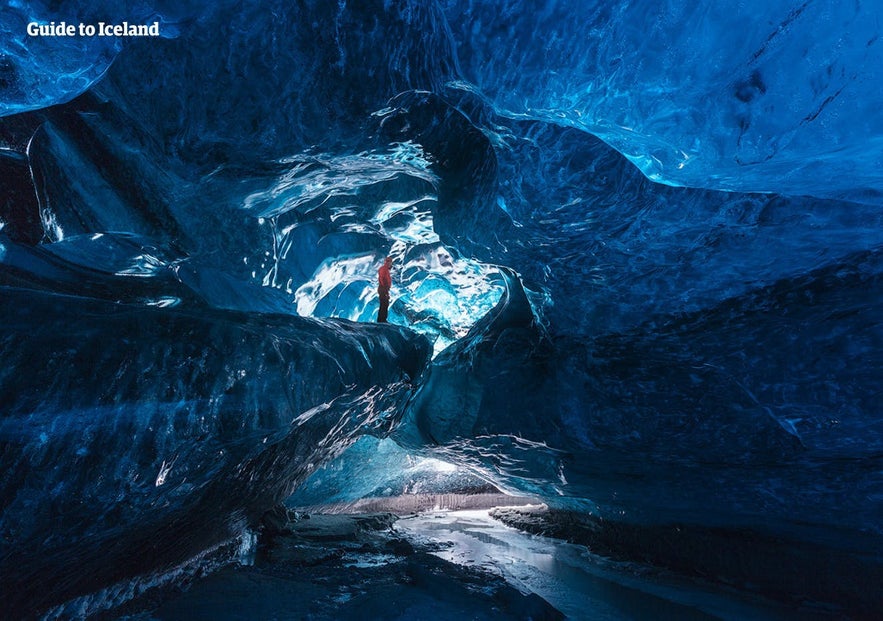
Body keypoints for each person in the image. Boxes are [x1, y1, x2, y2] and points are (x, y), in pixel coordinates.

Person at [377, 256, 392, 323]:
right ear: (388, 262)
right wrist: (385, 288)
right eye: (391, 263)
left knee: (384, 304)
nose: (391, 264)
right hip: (383, 288)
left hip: (383, 288)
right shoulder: (384, 269)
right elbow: (382, 278)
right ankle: (382, 320)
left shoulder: (385, 269)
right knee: (384, 304)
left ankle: (381, 319)